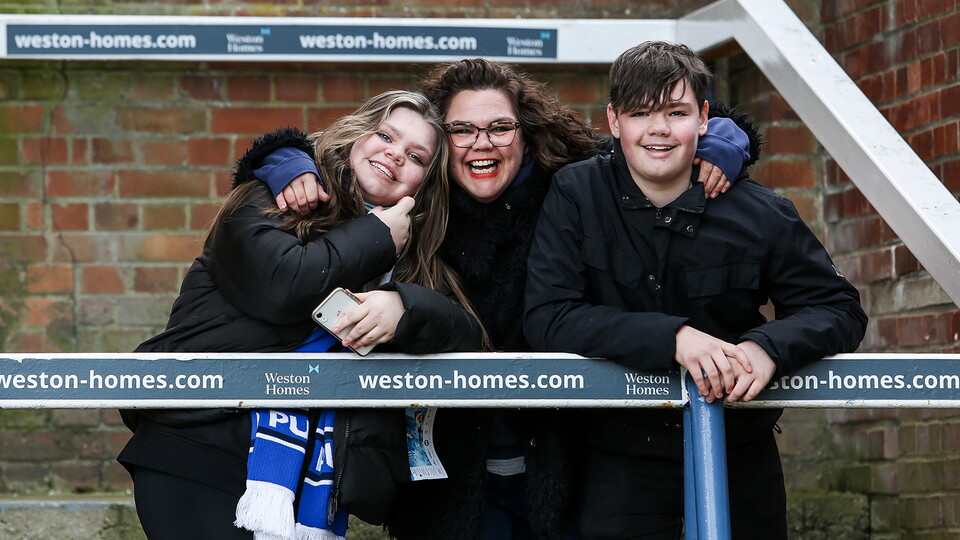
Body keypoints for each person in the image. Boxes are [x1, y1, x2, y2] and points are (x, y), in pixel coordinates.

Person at [251, 58, 760, 540]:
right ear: (438, 138)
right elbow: (332, 155)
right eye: (462, 130)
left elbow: (651, 139)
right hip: (441, 481)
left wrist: (729, 140)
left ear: (525, 130)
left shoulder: (571, 186)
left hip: (564, 470)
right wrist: (284, 161)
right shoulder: (411, 202)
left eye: (499, 127)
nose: (482, 144)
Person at [523, 41, 868, 539]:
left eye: (676, 112)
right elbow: (548, 315)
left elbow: (838, 308)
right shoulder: (576, 194)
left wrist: (767, 348)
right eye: (640, 113)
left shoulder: (760, 211)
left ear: (704, 118)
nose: (659, 129)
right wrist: (674, 339)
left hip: (739, 449)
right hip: (616, 458)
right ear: (614, 120)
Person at [117, 90, 483, 540]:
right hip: (198, 449)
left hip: (311, 479)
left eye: (416, 156)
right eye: (385, 135)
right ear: (356, 136)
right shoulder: (270, 198)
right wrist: (376, 236)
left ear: (424, 184)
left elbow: (467, 337)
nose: (394, 154)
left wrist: (403, 306)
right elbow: (283, 288)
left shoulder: (411, 259)